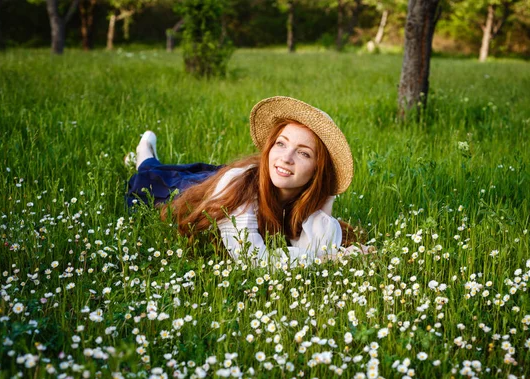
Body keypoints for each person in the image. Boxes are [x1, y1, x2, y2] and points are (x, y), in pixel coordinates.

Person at [126, 96, 360, 266]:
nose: (285, 158)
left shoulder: (304, 191)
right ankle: (143, 154)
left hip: (227, 180)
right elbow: (253, 260)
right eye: (281, 143)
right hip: (196, 192)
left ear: (318, 170)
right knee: (154, 175)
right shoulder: (239, 191)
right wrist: (330, 259)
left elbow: (317, 245)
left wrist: (328, 191)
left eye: (303, 153)